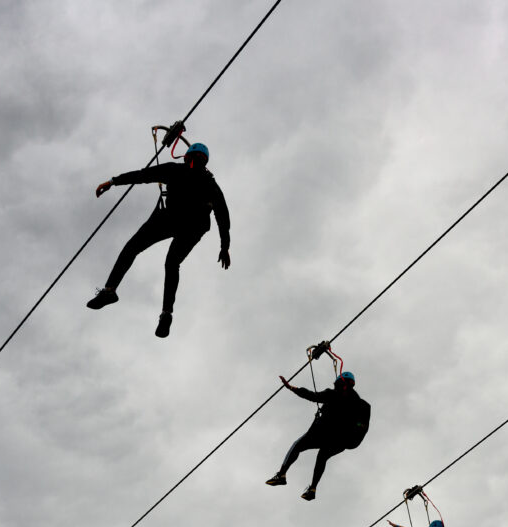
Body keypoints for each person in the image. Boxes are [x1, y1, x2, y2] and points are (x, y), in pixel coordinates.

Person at [87, 142, 230, 338]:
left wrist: (112, 182)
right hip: (184, 223)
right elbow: (142, 175)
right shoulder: (205, 182)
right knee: (165, 261)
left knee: (144, 252)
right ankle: (159, 311)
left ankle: (121, 294)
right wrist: (113, 182)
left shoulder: (189, 176)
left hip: (182, 222)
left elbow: (142, 175)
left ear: (188, 158)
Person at [265, 371, 369, 501]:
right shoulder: (361, 404)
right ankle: (312, 489)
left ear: (340, 384)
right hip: (339, 439)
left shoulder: (335, 395)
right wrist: (349, 440)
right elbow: (362, 428)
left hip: (327, 435)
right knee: (322, 455)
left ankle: (282, 475)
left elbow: (312, 396)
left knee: (298, 445)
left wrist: (292, 388)